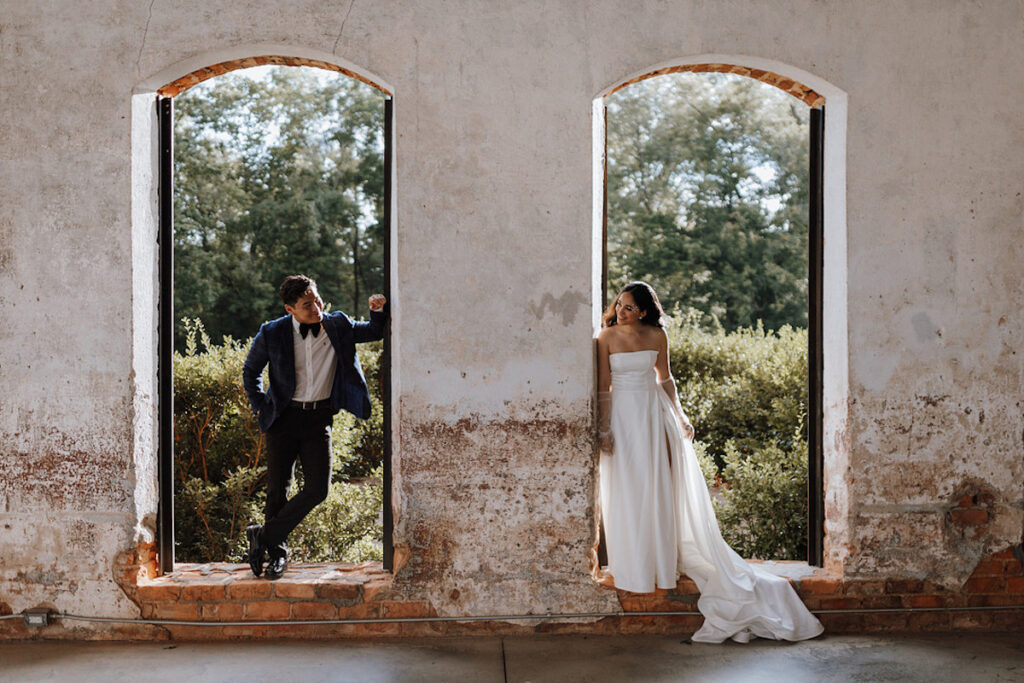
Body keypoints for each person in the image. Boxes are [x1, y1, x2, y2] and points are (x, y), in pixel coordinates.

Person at [596, 281, 823, 643]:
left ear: (643, 310)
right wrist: (604, 429)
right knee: (626, 487)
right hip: (623, 416)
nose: (620, 312)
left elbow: (665, 380)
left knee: (656, 486)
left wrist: (681, 417)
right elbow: (603, 387)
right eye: (619, 305)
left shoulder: (657, 335)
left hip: (654, 417)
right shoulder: (604, 338)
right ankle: (631, 565)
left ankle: (659, 561)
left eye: (628, 307)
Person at [242, 275, 387, 579]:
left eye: (317, 299)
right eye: (307, 304)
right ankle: (277, 555)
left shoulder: (338, 325)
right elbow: (251, 370)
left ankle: (264, 536)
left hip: (318, 419)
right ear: (290, 309)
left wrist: (377, 309)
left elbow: (375, 331)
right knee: (278, 489)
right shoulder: (272, 332)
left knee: (318, 489)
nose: (316, 307)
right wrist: (259, 405)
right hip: (283, 419)